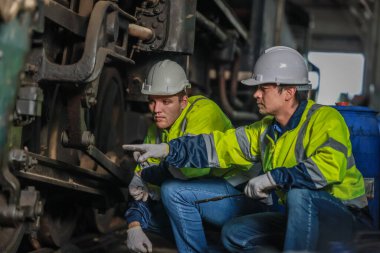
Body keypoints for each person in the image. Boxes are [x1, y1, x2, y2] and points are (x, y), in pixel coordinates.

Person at [123, 46, 372, 252]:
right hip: (296, 215)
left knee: (299, 194)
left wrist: (274, 178)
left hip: (343, 215)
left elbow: (329, 168)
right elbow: (218, 146)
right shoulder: (264, 130)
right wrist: (168, 149)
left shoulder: (325, 118)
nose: (255, 95)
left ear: (289, 92)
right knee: (234, 234)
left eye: (263, 88)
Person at [124, 59, 263, 253]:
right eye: (152, 101)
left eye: (166, 102)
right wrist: (134, 225)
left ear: (183, 101)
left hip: (242, 195)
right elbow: (140, 189)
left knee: (172, 191)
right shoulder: (154, 132)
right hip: (205, 196)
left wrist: (142, 177)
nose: (156, 110)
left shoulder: (203, 112)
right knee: (148, 219)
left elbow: (188, 171)